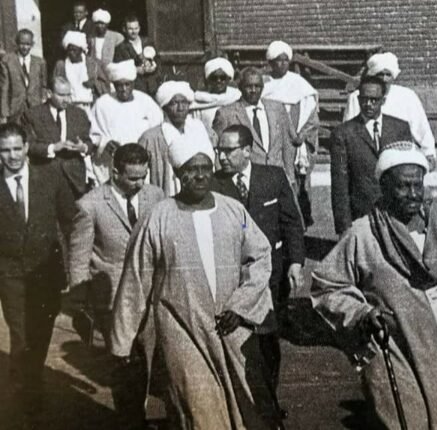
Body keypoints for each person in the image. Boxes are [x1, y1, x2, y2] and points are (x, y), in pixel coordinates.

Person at [312, 141, 437, 429]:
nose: (412, 194)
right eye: (403, 186)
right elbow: (327, 285)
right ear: (384, 187)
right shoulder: (363, 234)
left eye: (417, 185)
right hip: (397, 344)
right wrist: (361, 313)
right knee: (408, 420)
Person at [111, 143, 274, 429]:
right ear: (177, 173)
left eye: (205, 168)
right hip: (181, 332)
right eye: (191, 169)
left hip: (229, 330)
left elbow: (260, 257)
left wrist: (241, 307)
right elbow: (135, 281)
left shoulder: (234, 211)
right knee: (199, 412)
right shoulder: (157, 218)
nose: (200, 176)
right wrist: (122, 343)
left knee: (242, 412)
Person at [212, 124, 305, 420]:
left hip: (272, 276)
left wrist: (295, 262)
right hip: (234, 279)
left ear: (247, 151)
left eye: (228, 150)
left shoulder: (273, 177)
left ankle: (268, 402)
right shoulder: (214, 185)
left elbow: (291, 222)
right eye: (219, 150)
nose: (222, 156)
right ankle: (246, 406)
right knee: (239, 341)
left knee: (268, 341)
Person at [67, 144, 164, 428]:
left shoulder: (156, 196)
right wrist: (80, 301)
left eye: (143, 176)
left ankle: (140, 413)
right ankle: (131, 421)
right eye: (133, 178)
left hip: (150, 295)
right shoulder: (90, 205)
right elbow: (79, 257)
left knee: (148, 360)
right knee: (124, 364)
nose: (140, 184)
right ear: (115, 172)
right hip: (112, 298)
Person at [0, 123, 75, 418]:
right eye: (5, 150)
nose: (12, 156)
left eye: (17, 148)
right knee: (21, 335)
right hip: (10, 274)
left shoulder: (49, 176)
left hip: (46, 272)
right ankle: (26, 400)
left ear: (27, 147)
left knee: (41, 333)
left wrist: (74, 266)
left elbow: (70, 220)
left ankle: (29, 379)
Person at [330, 74, 412, 235]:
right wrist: (344, 227)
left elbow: (408, 174)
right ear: (358, 99)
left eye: (374, 100)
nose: (368, 104)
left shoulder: (400, 129)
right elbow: (340, 185)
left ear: (383, 100)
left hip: (396, 213)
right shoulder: (343, 134)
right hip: (361, 215)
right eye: (364, 99)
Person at [343, 52, 436, 170]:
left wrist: (429, 153)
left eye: (388, 74)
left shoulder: (407, 96)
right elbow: (348, 132)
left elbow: (421, 127)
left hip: (399, 159)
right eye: (380, 74)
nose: (384, 79)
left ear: (393, 76)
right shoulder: (357, 98)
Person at [213, 66, 299, 190]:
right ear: (240, 87)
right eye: (249, 86)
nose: (253, 90)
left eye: (257, 86)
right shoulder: (226, 114)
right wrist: (223, 183)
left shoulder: (277, 108)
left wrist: (290, 177)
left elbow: (287, 145)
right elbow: (218, 151)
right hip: (248, 182)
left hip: (278, 178)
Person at [263, 40, 319, 225]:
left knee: (297, 178)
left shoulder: (298, 83)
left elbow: (312, 114)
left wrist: (302, 135)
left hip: (295, 139)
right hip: (274, 137)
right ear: (271, 63)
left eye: (285, 60)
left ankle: (300, 219)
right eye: (278, 60)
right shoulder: (265, 84)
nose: (282, 64)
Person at [89, 60, 163, 183]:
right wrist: (104, 143)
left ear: (133, 83)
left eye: (127, 84)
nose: (123, 89)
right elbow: (92, 134)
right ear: (114, 85)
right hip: (111, 165)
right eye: (119, 85)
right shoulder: (102, 104)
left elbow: (158, 131)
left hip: (141, 164)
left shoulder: (146, 102)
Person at [21, 76, 95, 199]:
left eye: (68, 95)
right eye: (61, 95)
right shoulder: (32, 115)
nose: (66, 100)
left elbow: (89, 142)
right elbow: (29, 145)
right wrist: (53, 147)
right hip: (44, 176)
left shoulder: (79, 114)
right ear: (49, 94)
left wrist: (83, 147)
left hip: (74, 180)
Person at [139, 80, 214, 196]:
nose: (180, 108)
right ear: (165, 107)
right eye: (174, 103)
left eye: (184, 102)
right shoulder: (151, 138)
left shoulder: (200, 129)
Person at [53, 31, 109, 112]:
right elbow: (55, 85)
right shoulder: (61, 65)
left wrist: (94, 83)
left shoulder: (93, 63)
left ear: (81, 50)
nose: (71, 53)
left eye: (74, 50)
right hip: (70, 107)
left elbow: (106, 84)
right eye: (69, 50)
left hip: (90, 106)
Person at [0, 29, 47, 124]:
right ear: (16, 43)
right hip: (15, 109)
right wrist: (4, 114)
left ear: (32, 44)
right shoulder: (7, 61)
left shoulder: (40, 62)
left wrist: (43, 104)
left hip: (35, 107)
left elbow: (43, 86)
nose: (25, 47)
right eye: (22, 44)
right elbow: (4, 88)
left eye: (28, 44)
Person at [190, 56, 242, 137]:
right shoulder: (199, 102)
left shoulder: (236, 97)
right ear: (208, 80)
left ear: (228, 79)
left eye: (222, 78)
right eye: (214, 78)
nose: (218, 81)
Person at [113, 15, 160, 96]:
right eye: (130, 29)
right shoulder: (120, 48)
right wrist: (135, 70)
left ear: (139, 28)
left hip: (152, 86)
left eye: (136, 28)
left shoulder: (148, 42)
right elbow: (119, 69)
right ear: (124, 29)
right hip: (136, 88)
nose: (134, 31)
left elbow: (158, 60)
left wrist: (154, 67)